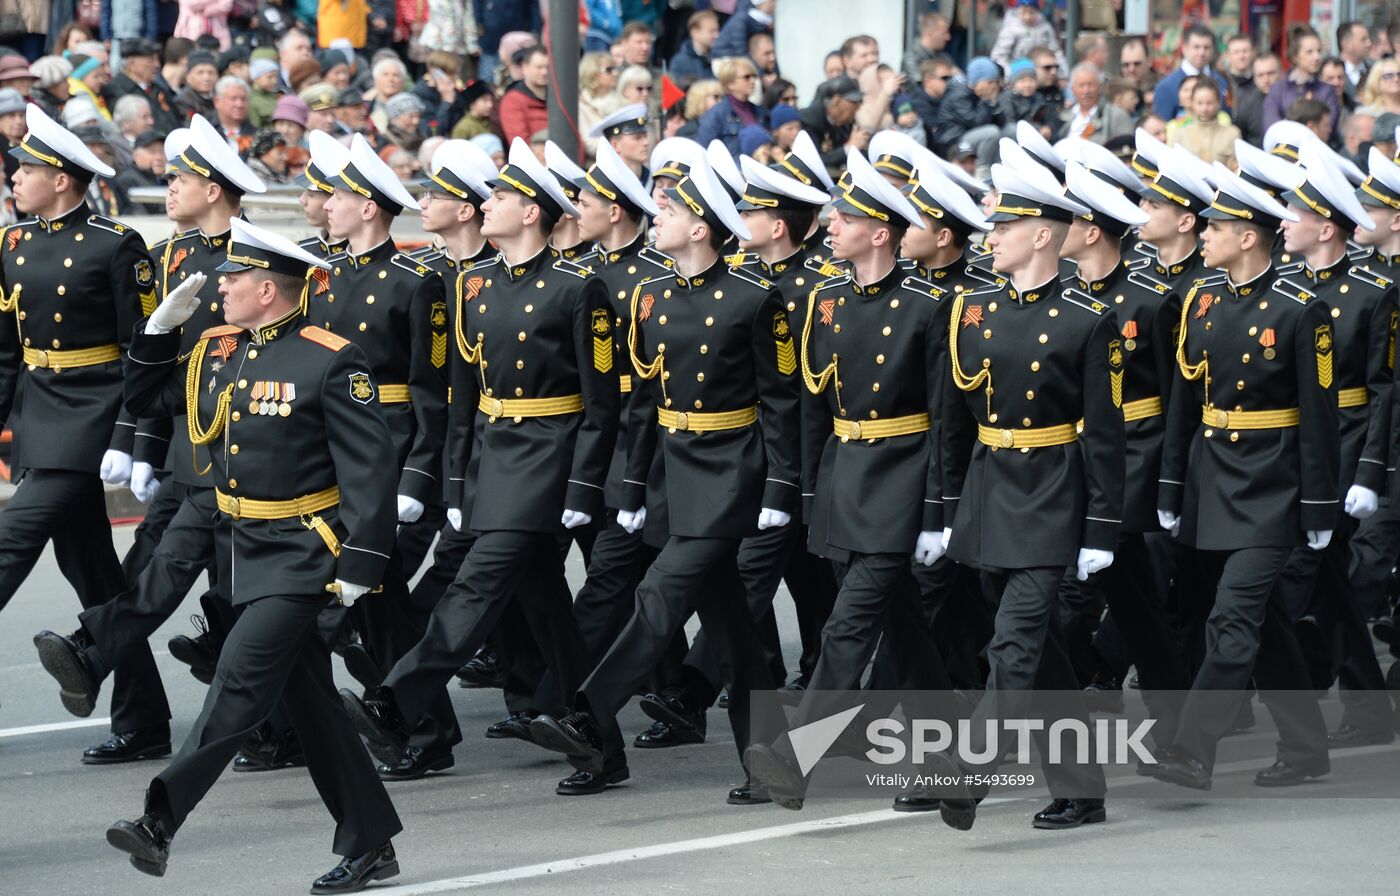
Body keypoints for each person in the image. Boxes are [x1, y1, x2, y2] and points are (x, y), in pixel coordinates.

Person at [104, 216, 403, 892]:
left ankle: (159, 821)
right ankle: (371, 839)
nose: (224, 288)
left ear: (268, 289)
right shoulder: (220, 349)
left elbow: (370, 471)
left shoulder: (329, 357)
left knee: (237, 683)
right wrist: (157, 334)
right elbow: (148, 399)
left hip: (300, 556)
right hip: (242, 551)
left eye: (235, 279)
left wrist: (361, 564)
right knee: (314, 708)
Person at [521, 152, 801, 799]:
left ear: (702, 227)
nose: (660, 217)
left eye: (672, 210)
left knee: (659, 595)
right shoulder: (652, 298)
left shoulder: (756, 299)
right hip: (673, 472)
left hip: (730, 472)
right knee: (733, 634)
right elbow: (642, 401)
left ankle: (587, 715)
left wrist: (782, 488)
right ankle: (773, 765)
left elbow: (782, 402)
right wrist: (631, 487)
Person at [341, 138, 619, 788]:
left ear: (531, 214)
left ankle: (394, 698)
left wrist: (584, 482)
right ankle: (602, 743)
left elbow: (602, 404)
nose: (487, 203)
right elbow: (461, 399)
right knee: (547, 609)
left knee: (475, 584)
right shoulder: (473, 287)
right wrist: (459, 479)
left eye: (502, 197)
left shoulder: (581, 288)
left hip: (549, 459)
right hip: (496, 458)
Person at [744, 147, 970, 810]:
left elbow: (945, 421)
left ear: (881, 232)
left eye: (844, 218)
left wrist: (939, 511)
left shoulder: (930, 308)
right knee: (904, 631)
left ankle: (795, 758)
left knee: (849, 626)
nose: (831, 226)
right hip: (849, 479)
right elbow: (815, 409)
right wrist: (814, 495)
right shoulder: (826, 303)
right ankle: (948, 763)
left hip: (903, 483)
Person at [933, 146, 1120, 832]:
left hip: (1049, 494)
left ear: (1043, 234)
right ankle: (1083, 789)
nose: (991, 237)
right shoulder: (971, 311)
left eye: (1004, 227)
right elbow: (954, 426)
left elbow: (1103, 436)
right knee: (1039, 655)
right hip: (990, 491)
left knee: (1012, 645)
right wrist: (948, 509)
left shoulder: (1086, 319)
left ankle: (970, 774)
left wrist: (1101, 529)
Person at [1152, 163, 1337, 791]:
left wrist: (1318, 507)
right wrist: (1172, 486)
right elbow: (1184, 398)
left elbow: (1318, 418)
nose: (1204, 234)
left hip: (1272, 484)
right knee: (1266, 625)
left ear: (1250, 236)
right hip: (1212, 477)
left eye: (1218, 226)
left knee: (1231, 618)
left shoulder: (1299, 310)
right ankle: (1307, 747)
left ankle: (1191, 748)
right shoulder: (1201, 297)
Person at [0, 104, 163, 751]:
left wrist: (130, 433)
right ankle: (144, 721)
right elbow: (6, 352)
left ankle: (142, 718)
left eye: (25, 169)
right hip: (39, 415)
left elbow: (142, 351)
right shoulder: (13, 243)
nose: (13, 177)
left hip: (92, 420)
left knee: (11, 541)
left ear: (63, 178)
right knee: (96, 575)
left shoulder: (114, 244)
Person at [1267, 143, 1394, 765]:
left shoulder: (1375, 292)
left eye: (1295, 214)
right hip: (1299, 445)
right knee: (1330, 584)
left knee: (1294, 577)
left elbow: (1384, 392)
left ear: (1326, 226)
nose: (1284, 222)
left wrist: (1370, 472)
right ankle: (1368, 706)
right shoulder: (1289, 286)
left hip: (1345, 447)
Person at [1263, 25, 1341, 135]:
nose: (1317, 57)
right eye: (1310, 52)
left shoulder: (1327, 90)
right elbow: (1272, 127)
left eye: (1319, 51)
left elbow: (1328, 126)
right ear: (1295, 55)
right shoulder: (1278, 89)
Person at [932, 58, 1007, 170]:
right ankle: (982, 171)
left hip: (969, 135)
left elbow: (1002, 124)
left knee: (1009, 130)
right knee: (992, 133)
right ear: (977, 81)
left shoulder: (980, 94)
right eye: (990, 82)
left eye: (995, 82)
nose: (994, 86)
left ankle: (1001, 168)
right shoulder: (959, 95)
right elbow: (976, 122)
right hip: (954, 141)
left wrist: (994, 103)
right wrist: (986, 101)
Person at [1153, 25, 1231, 120]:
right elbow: (1161, 126)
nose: (1201, 52)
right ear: (1184, 48)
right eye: (1196, 47)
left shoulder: (1221, 80)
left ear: (1213, 50)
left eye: (1206, 47)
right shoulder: (1166, 87)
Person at [696, 57, 765, 158]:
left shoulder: (760, 112)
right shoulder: (716, 114)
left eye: (754, 76)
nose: (752, 81)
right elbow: (703, 149)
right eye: (747, 77)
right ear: (730, 83)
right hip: (733, 171)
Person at [1169, 78, 1241, 168]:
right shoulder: (1181, 134)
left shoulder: (1232, 134)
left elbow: (1236, 168)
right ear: (1192, 103)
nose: (1204, 108)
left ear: (1218, 102)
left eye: (1209, 103)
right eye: (1200, 103)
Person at [799, 75, 863, 175]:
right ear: (837, 101)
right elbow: (812, 162)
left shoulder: (845, 121)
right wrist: (848, 148)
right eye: (854, 103)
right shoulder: (809, 122)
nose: (857, 108)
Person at [1063, 62, 1133, 146]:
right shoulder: (1063, 117)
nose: (1086, 91)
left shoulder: (1116, 116)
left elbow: (1126, 149)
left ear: (1100, 87)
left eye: (1090, 85)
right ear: (1072, 89)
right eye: (1081, 86)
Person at [990, 0, 1064, 72]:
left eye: (1031, 12)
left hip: (1040, 73)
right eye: (1024, 12)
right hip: (1017, 73)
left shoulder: (1044, 28)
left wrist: (1062, 73)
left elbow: (1055, 52)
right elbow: (998, 56)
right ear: (1018, 11)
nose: (1027, 17)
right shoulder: (1010, 28)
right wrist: (1009, 72)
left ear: (1037, 12)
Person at [498, 46, 549, 147]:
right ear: (525, 68)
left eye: (547, 67)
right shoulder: (513, 101)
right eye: (539, 67)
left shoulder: (559, 97)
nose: (544, 72)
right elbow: (520, 144)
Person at [1234, 52, 1280, 146]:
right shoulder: (1246, 105)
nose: (1266, 80)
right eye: (1260, 75)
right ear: (1254, 77)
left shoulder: (1294, 100)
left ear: (1281, 72)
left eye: (1270, 73)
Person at [669, 9, 719, 87]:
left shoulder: (719, 58)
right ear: (695, 33)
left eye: (717, 31)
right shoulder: (680, 62)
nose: (717, 35)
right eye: (712, 31)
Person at [902, 11, 951, 83]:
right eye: (944, 33)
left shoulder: (943, 56)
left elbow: (960, 80)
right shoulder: (911, 59)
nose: (948, 37)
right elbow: (922, 87)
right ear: (930, 34)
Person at [1338, 21, 1374, 103]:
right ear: (1347, 44)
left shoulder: (1374, 69)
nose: (1369, 43)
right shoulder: (1332, 72)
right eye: (1363, 39)